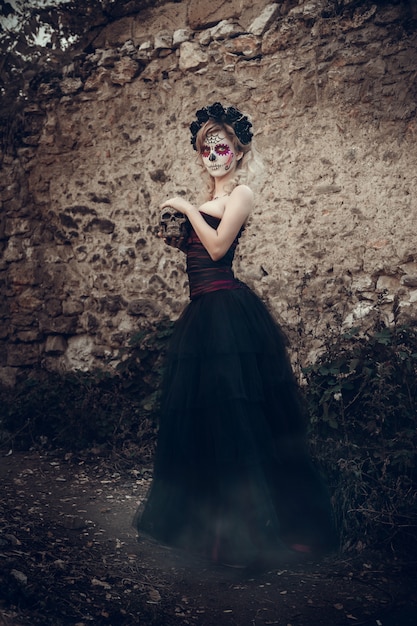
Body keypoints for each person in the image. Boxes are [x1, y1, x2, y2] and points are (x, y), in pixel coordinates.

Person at [133, 102, 337, 567]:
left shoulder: (240, 194)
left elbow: (220, 245)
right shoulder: (209, 199)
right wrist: (177, 228)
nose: (213, 154)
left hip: (228, 310)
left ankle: (254, 531)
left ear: (238, 153)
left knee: (240, 422)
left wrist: (185, 206)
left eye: (221, 147)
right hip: (201, 313)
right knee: (207, 422)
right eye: (206, 148)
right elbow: (195, 247)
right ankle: (211, 531)